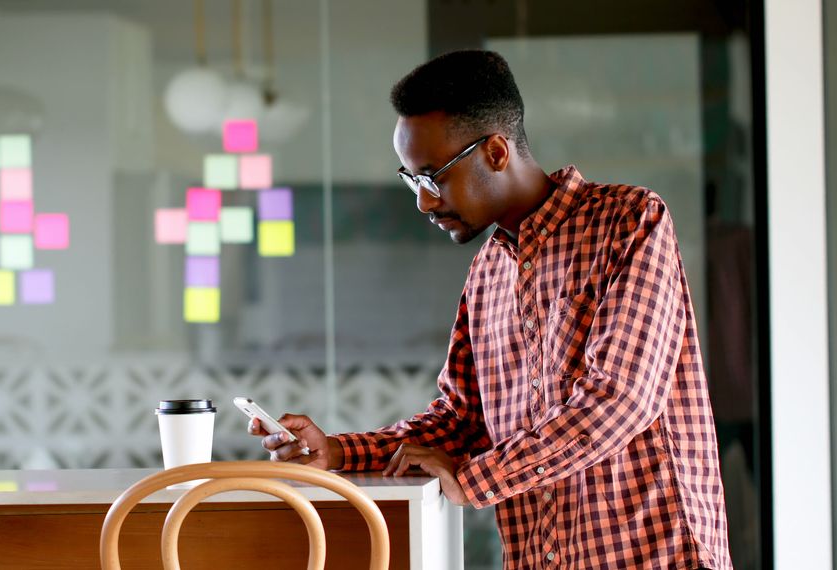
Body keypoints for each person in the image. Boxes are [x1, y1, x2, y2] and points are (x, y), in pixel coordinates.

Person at [249, 50, 732, 569]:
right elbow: (459, 422)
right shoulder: (486, 273)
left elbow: (619, 400)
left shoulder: (629, 221)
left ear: (497, 152)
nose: (423, 203)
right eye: (412, 180)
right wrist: (339, 452)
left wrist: (475, 480)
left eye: (433, 177)